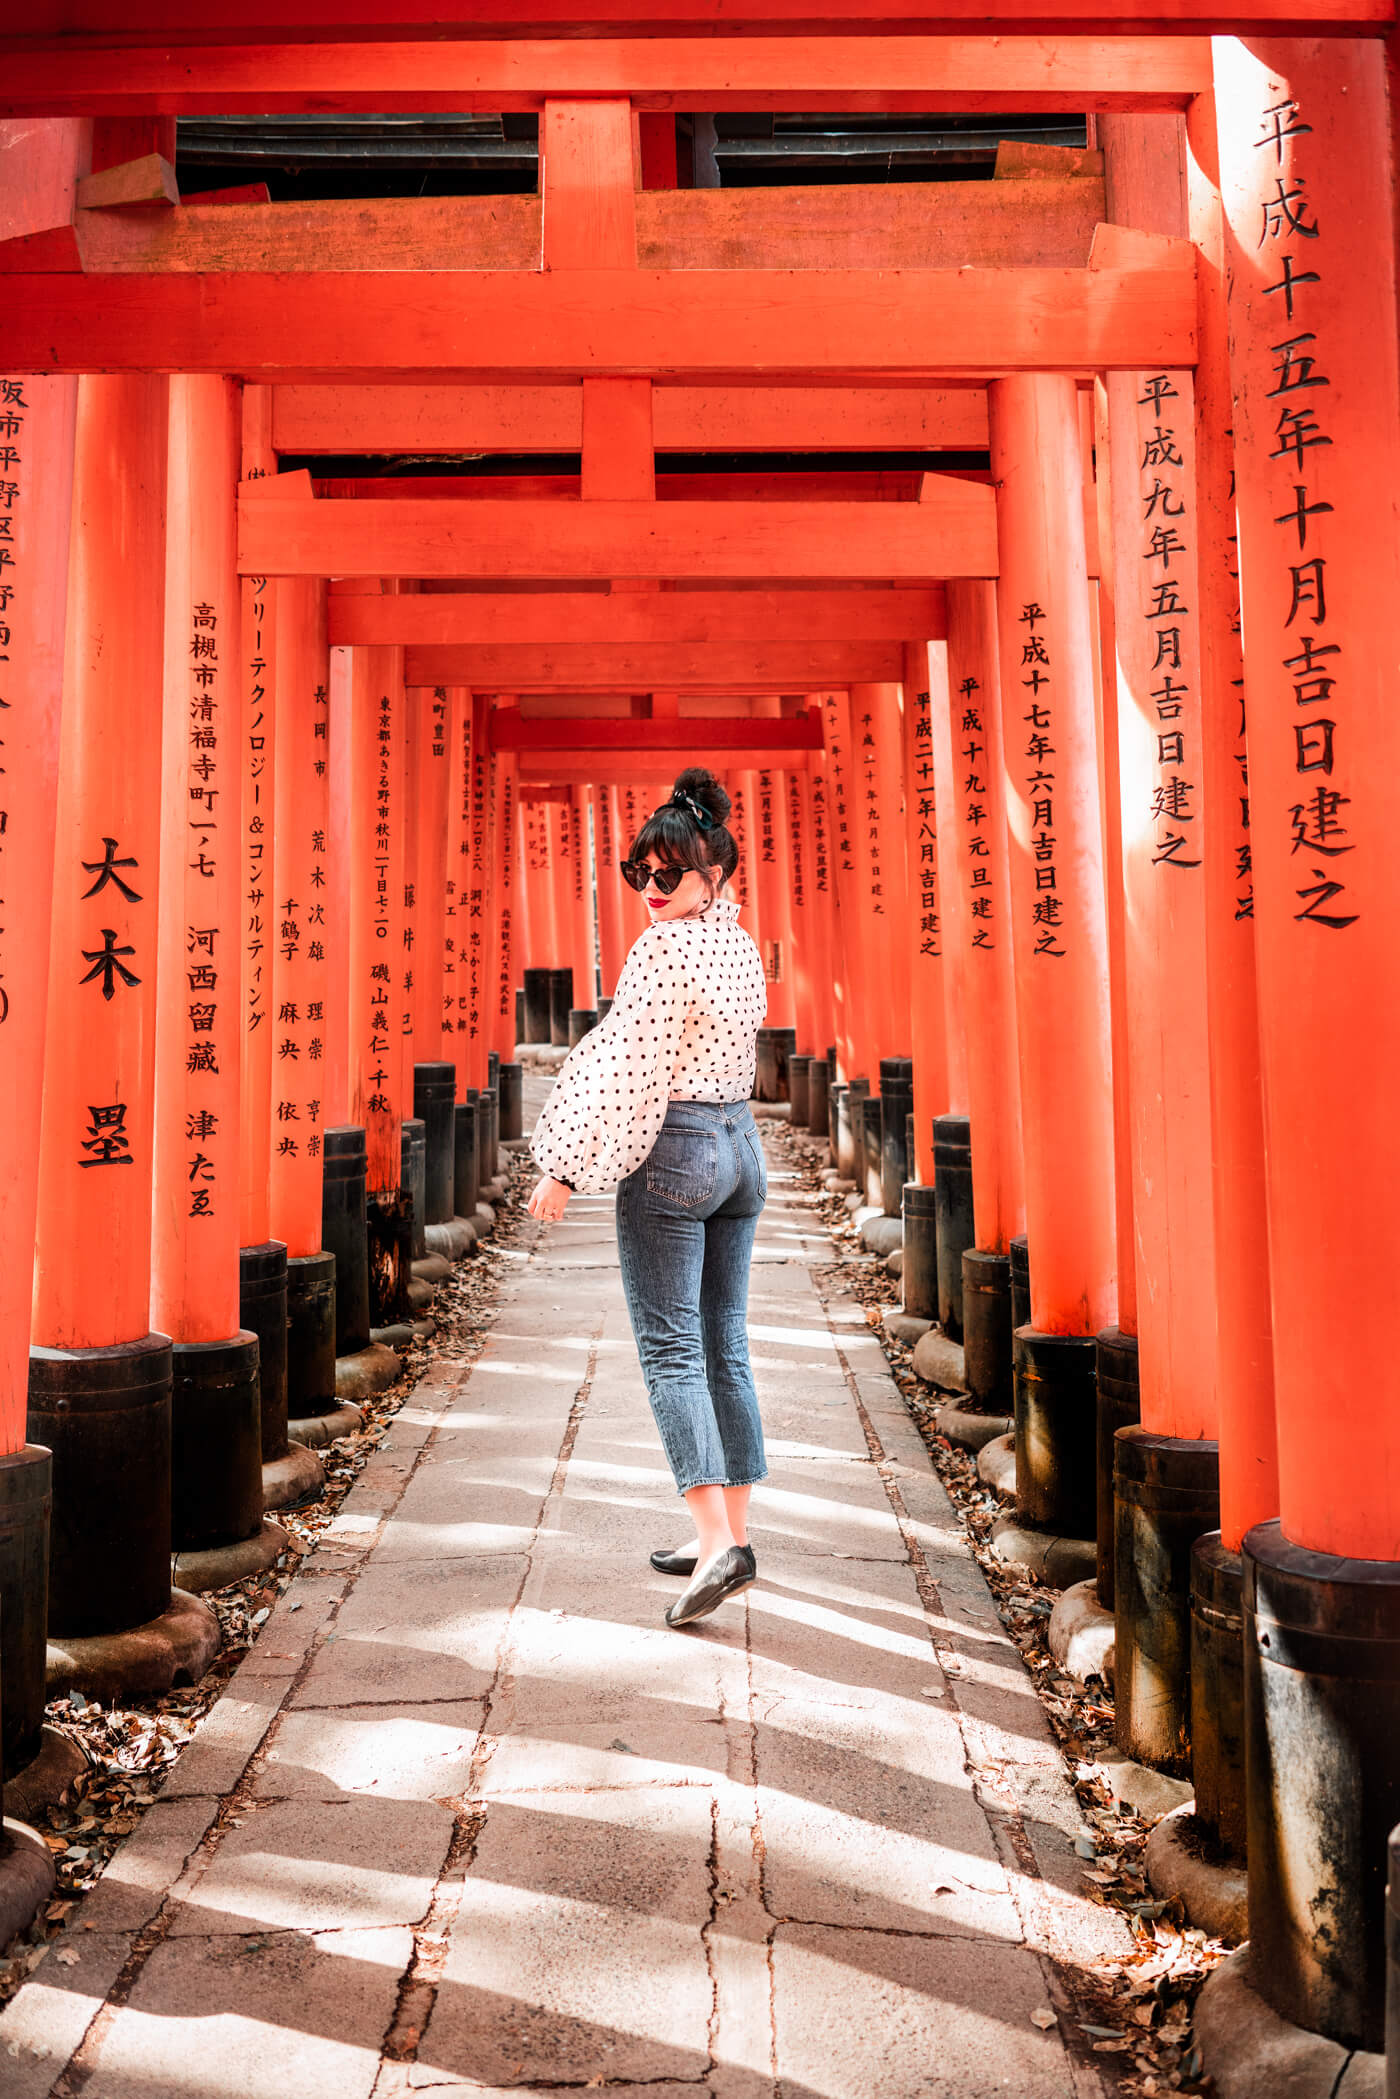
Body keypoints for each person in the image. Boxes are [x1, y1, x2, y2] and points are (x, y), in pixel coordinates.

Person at [527, 768, 769, 1629]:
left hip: (679, 1153)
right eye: (643, 874)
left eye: (671, 876)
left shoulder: (662, 952)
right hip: (741, 1146)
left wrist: (564, 1165)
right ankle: (729, 1529)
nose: (653, 892)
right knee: (723, 1342)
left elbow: (626, 1070)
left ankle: (715, 1542)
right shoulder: (738, 940)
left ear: (713, 877)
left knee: (672, 1347)